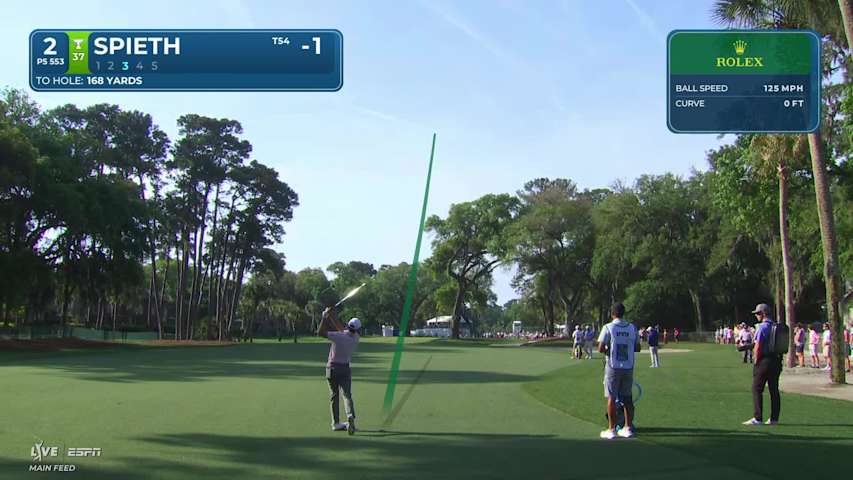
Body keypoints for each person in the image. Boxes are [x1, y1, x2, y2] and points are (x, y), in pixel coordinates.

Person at [598, 302, 641, 439]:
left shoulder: (608, 327)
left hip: (613, 365)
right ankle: (627, 427)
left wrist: (609, 350)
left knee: (611, 396)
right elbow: (637, 347)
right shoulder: (632, 328)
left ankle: (611, 429)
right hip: (628, 366)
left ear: (612, 313)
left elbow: (600, 348)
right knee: (627, 397)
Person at [317, 306, 361, 434]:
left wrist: (324, 318)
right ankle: (350, 415)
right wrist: (330, 316)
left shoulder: (338, 336)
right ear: (358, 329)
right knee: (347, 395)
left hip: (332, 369)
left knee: (334, 396)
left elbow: (320, 333)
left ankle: (336, 423)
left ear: (348, 325)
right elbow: (341, 328)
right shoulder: (356, 338)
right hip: (345, 369)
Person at [743, 303, 782, 426]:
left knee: (756, 388)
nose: (756, 316)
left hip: (764, 361)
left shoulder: (762, 327)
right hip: (776, 361)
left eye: (758, 313)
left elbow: (758, 346)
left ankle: (758, 417)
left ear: (763, 313)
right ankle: (774, 418)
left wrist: (756, 361)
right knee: (774, 390)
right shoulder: (776, 326)